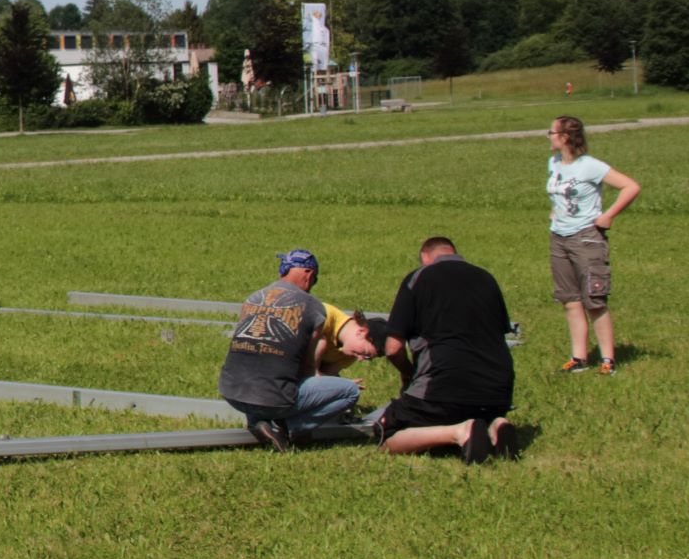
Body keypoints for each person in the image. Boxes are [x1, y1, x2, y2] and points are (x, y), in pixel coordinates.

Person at [344, 236, 516, 463]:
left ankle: (459, 432)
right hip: (498, 391)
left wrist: (408, 373)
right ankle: (496, 425)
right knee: (476, 411)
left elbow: (393, 348)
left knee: (386, 433)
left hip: (442, 386)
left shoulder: (419, 278)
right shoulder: (487, 278)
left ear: (425, 258)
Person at [219, 249, 362, 450]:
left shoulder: (252, 298)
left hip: (230, 392)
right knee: (350, 392)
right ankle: (287, 427)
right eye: (315, 279)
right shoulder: (314, 307)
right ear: (309, 275)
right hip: (274, 400)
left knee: (257, 370)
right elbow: (307, 367)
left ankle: (258, 421)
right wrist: (327, 384)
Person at [547, 115, 640, 375]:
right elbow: (558, 195)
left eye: (551, 132)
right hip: (559, 238)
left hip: (586, 238)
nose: (548, 137)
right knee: (570, 300)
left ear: (565, 137)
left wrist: (608, 215)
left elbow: (630, 187)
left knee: (594, 300)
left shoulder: (590, 166)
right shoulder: (553, 162)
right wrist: (555, 212)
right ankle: (578, 358)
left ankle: (607, 360)